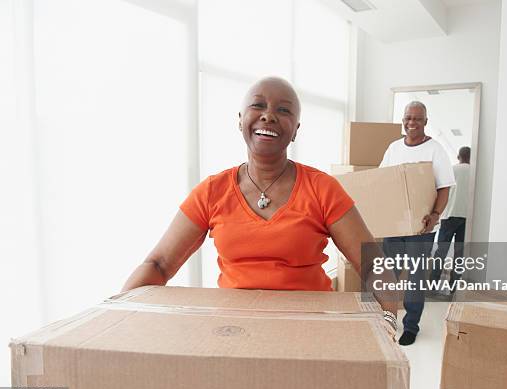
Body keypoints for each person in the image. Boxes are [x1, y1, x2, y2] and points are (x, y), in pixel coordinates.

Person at [121, 76, 397, 334]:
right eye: (258, 105)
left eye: (284, 110)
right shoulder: (212, 191)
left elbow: (374, 265)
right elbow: (158, 264)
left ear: (296, 130)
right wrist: (114, 315)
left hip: (310, 330)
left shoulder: (322, 188)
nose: (269, 115)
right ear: (240, 120)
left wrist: (388, 324)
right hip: (235, 330)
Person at [379, 101, 455, 346]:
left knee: (415, 275)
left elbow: (444, 188)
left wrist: (435, 215)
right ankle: (388, 317)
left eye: (417, 119)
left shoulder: (435, 150)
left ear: (425, 122)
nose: (411, 122)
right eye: (407, 118)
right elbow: (383, 179)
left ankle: (411, 326)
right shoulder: (393, 148)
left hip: (420, 227)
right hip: (394, 223)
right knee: (389, 273)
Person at [431, 146, 470, 289]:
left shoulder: (452, 170)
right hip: (466, 217)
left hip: (449, 216)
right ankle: (454, 287)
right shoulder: (475, 173)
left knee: (441, 251)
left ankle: (433, 286)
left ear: (459, 157)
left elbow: (439, 192)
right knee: (460, 254)